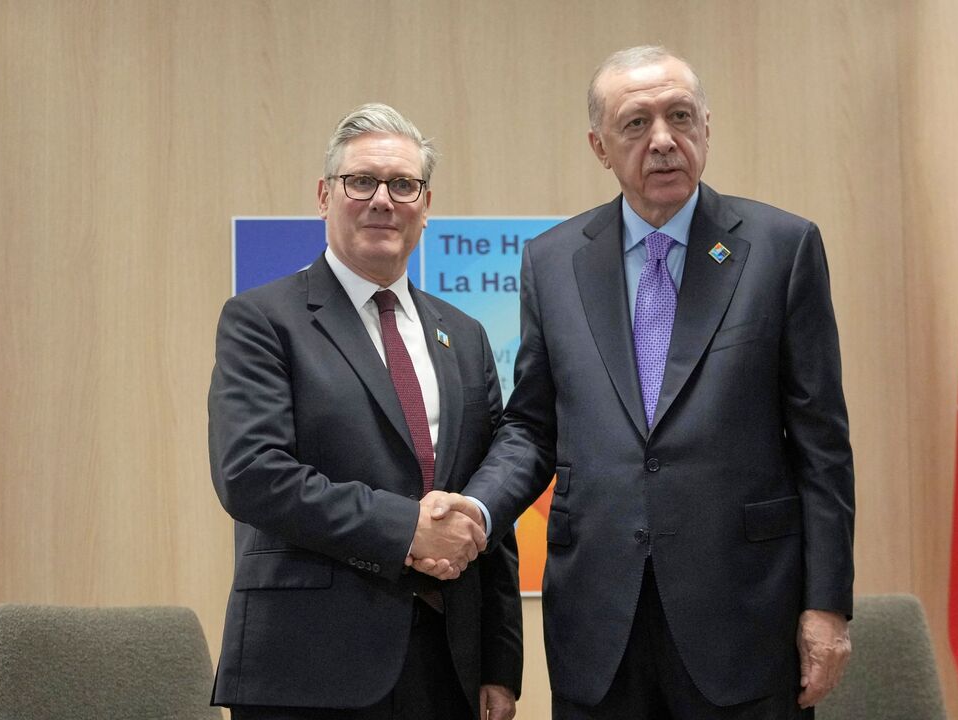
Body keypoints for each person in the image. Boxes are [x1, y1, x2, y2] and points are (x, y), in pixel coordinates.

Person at [423, 45, 854, 718]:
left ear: (706, 127)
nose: (662, 141)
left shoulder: (780, 248)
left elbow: (822, 445)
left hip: (744, 617)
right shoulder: (554, 261)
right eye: (635, 124)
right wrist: (476, 510)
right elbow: (533, 428)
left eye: (680, 116)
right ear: (599, 146)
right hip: (600, 623)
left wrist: (826, 606)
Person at [207, 103, 522, 720]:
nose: (383, 199)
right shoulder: (262, 320)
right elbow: (251, 474)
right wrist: (406, 528)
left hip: (446, 669)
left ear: (425, 206)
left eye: (403, 184)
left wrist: (499, 664)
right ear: (325, 195)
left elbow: (489, 512)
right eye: (362, 181)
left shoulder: (465, 335)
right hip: (306, 667)